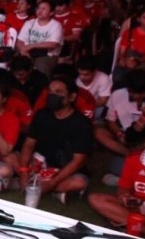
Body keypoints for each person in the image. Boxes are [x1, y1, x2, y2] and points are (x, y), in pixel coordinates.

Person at [17, 76, 94, 204]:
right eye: (51, 91)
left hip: (65, 171)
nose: (52, 95)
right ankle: (47, 189)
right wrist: (24, 172)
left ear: (72, 97)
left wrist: (52, 183)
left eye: (58, 92)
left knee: (79, 182)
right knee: (15, 160)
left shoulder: (82, 123)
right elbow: (29, 144)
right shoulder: (41, 115)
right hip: (40, 166)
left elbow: (78, 161)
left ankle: (36, 186)